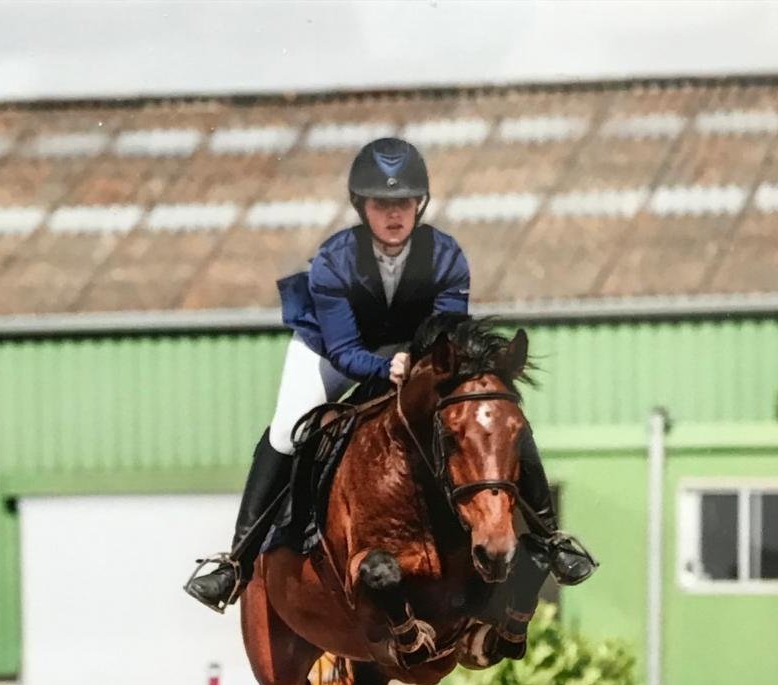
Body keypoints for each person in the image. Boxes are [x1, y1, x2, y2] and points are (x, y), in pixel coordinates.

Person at [184, 136, 597, 612]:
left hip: (413, 347)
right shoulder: (334, 262)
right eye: (383, 204)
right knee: (286, 429)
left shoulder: (446, 257)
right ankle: (236, 562)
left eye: (404, 202)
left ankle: (552, 537)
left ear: (420, 204)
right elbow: (344, 349)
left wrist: (447, 367)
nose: (395, 214)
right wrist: (386, 366)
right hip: (331, 348)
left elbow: (445, 329)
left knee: (493, 415)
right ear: (362, 206)